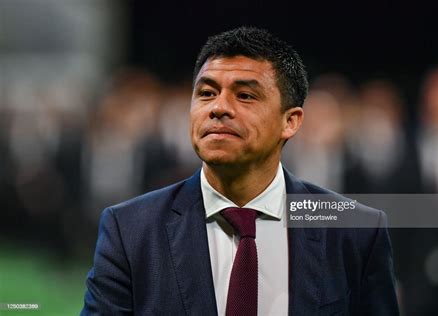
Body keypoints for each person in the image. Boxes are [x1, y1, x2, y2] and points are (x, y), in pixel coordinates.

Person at [81, 26, 399, 315]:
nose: (219, 107)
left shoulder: (356, 231)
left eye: (245, 95)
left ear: (291, 121)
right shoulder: (130, 230)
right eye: (206, 93)